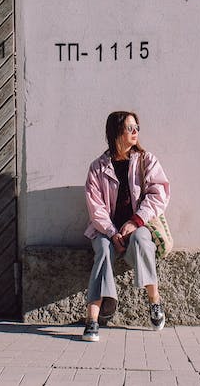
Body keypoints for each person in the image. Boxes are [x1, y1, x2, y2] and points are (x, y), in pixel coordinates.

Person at [81, 111, 170, 342]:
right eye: (130, 128)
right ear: (116, 132)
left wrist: (135, 221)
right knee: (102, 250)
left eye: (136, 127)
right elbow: (95, 207)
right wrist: (112, 233)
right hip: (105, 230)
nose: (135, 132)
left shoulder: (146, 160)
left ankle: (155, 302)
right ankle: (92, 318)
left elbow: (158, 194)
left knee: (142, 239)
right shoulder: (97, 168)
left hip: (137, 226)